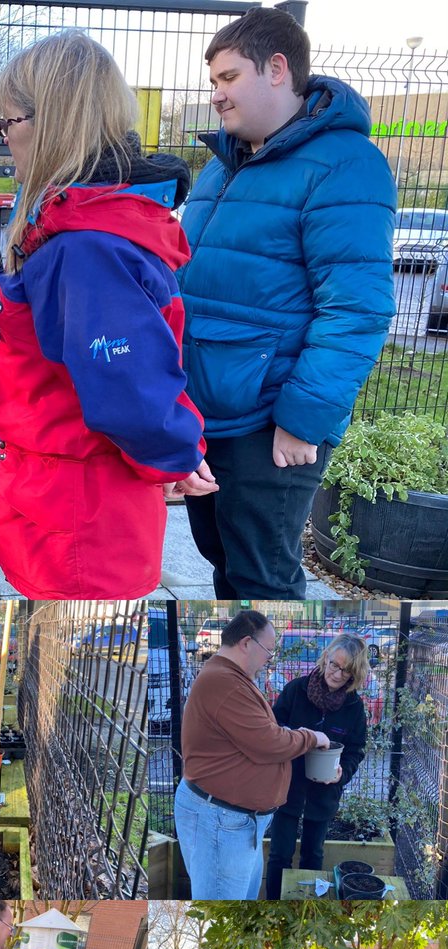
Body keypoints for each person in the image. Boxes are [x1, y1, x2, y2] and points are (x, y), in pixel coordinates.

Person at [0, 31, 215, 600]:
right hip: (68, 506)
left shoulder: (86, 248)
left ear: (51, 121)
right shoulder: (78, 233)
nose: (3, 140)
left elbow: (129, 386)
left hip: (79, 521)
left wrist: (176, 454)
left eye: (6, 123)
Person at [178, 8, 396, 599]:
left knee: (261, 577)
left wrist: (301, 421)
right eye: (213, 83)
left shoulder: (345, 167)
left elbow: (357, 309)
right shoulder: (226, 164)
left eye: (228, 78)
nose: (217, 96)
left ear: (277, 69)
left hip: (270, 421)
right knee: (223, 555)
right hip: (210, 408)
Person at [176, 609, 329, 900]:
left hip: (233, 822)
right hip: (221, 821)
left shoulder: (229, 677)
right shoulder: (225, 683)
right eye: (268, 652)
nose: (268, 659)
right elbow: (268, 742)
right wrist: (312, 737)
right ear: (246, 643)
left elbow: (258, 736)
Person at [265, 633, 370, 899]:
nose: (336, 673)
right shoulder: (296, 690)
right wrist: (294, 737)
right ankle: (275, 904)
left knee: (314, 855)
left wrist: (341, 774)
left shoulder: (354, 708)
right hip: (287, 786)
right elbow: (272, 729)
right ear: (325, 659)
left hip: (324, 793)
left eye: (346, 670)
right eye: (334, 664)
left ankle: (307, 908)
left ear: (353, 675)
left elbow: (356, 750)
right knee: (279, 854)